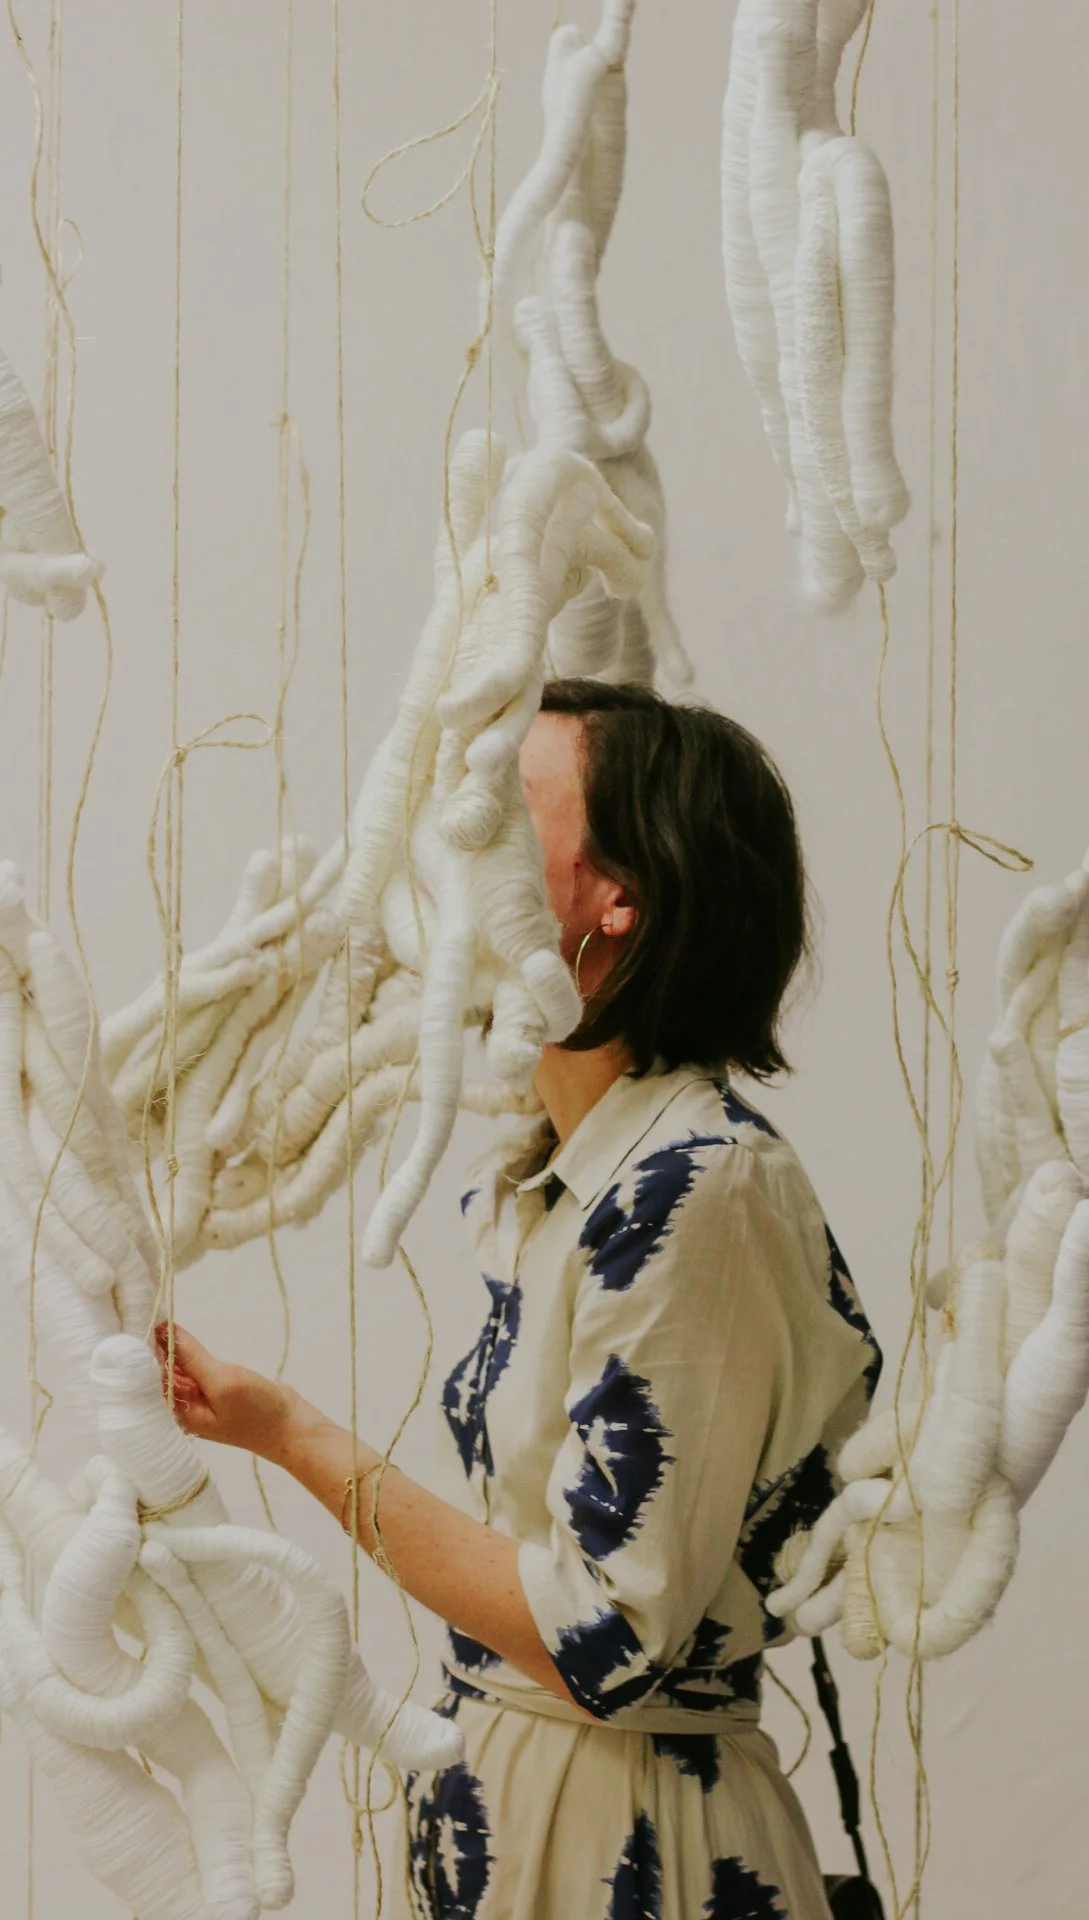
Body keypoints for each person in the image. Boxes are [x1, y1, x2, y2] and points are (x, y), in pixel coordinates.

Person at [159, 679, 882, 1920]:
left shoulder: (696, 1191)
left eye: (508, 809)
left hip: (621, 1837)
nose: (456, 837)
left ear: (620, 900)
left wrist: (293, 1439)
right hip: (524, 1800)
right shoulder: (573, 1174)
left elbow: (602, 1637)